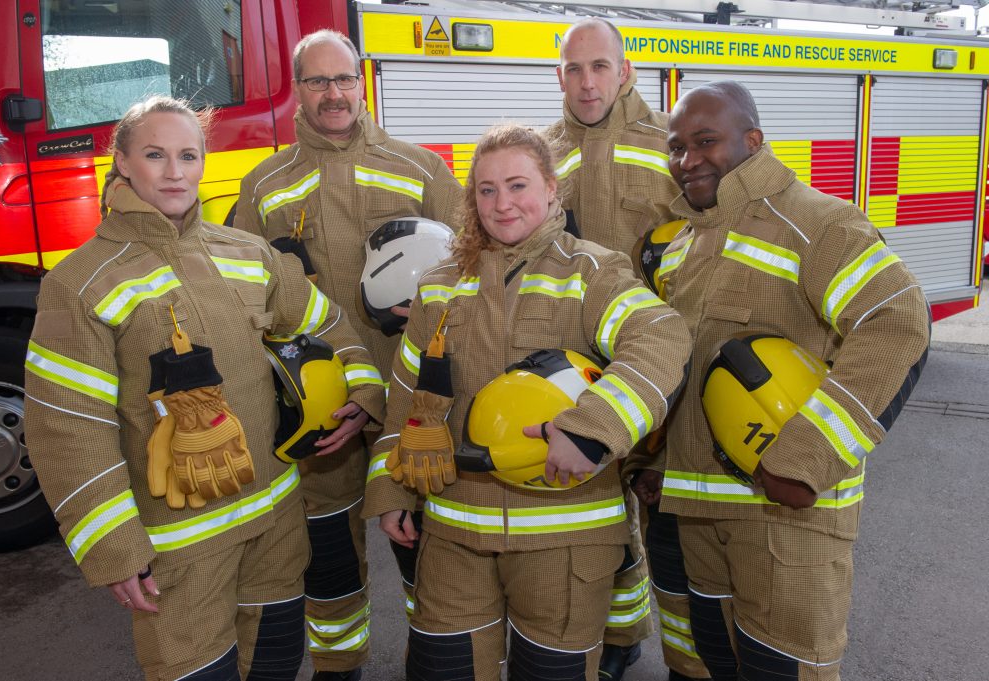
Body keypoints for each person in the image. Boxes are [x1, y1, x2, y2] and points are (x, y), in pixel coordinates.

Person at [23, 95, 385, 681]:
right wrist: (112, 544)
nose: (173, 171)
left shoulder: (246, 252)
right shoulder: (81, 282)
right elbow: (66, 427)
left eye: (188, 155)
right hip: (181, 550)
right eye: (155, 154)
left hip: (276, 530)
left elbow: (326, 323)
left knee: (274, 664)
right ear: (121, 162)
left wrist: (362, 393)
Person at [362, 123, 692, 680]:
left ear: (551, 191)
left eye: (517, 186)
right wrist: (391, 487)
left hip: (564, 540)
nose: (501, 203)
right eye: (486, 190)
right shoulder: (441, 282)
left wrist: (595, 428)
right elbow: (406, 395)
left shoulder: (592, 271)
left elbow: (661, 336)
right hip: (455, 530)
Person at [654, 81, 930, 680]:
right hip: (699, 518)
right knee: (712, 668)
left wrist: (806, 458)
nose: (687, 159)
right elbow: (683, 374)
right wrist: (654, 465)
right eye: (675, 147)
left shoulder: (817, 223)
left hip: (787, 525)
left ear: (753, 141)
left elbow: (898, 320)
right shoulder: (681, 246)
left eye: (706, 141)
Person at [233, 29, 463, 680]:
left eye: (343, 79)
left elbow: (470, 271)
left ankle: (437, 658)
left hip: (410, 396)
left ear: (360, 80)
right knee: (328, 555)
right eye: (316, 81)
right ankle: (340, 667)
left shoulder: (421, 168)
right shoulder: (262, 185)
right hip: (319, 407)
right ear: (297, 92)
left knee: (426, 548)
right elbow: (244, 292)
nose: (332, 94)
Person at [547, 18, 709, 681]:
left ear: (627, 72)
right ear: (559, 76)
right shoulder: (541, 152)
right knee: (598, 518)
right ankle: (619, 640)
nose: (588, 83)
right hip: (573, 368)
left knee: (672, 524)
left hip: (659, 366)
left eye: (600, 67)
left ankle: (690, 660)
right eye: (575, 69)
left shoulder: (669, 146)